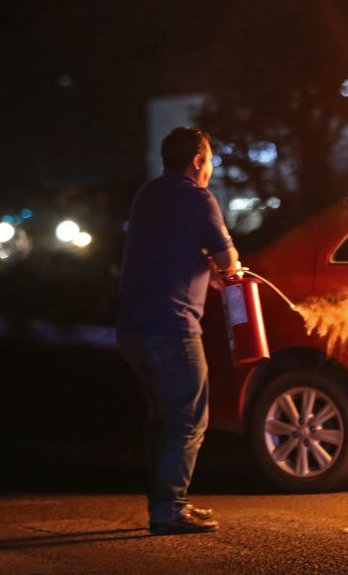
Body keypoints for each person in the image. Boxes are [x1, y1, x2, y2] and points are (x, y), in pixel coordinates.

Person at [116, 127, 240, 535]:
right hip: (173, 325)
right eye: (210, 160)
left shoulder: (148, 194)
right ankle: (169, 510)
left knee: (161, 418)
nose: (211, 169)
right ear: (198, 161)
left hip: (132, 326)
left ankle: (166, 503)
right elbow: (229, 262)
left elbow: (166, 249)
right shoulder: (197, 197)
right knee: (188, 418)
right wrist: (226, 266)